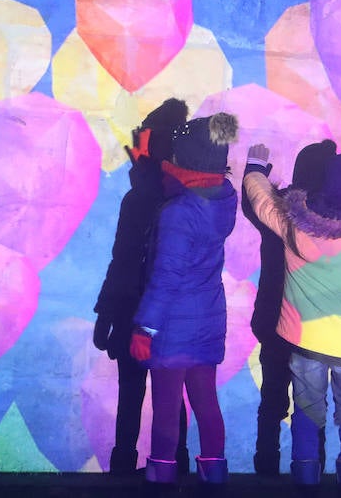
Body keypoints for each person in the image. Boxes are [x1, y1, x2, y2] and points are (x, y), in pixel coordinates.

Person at [242, 144, 341, 492]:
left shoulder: (295, 225)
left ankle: (305, 479)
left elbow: (262, 201)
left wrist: (254, 167)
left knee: (308, 413)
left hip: (305, 340)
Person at [130, 112, 239, 488]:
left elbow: (166, 277)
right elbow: (183, 180)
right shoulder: (222, 200)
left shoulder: (179, 212)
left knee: (166, 407)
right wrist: (148, 165)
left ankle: (161, 472)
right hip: (208, 319)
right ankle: (215, 471)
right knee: (206, 401)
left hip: (173, 325)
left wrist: (144, 327)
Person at [92, 99, 191, 476]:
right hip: (173, 317)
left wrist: (105, 313)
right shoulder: (187, 201)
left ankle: (122, 471)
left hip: (133, 309)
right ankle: (175, 467)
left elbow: (123, 261)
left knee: (131, 395)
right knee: (172, 398)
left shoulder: (138, 199)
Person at [240, 138, 335, 477]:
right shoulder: (334, 221)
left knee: (272, 403)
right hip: (314, 330)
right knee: (313, 408)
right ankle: (313, 472)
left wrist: (254, 171)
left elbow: (255, 203)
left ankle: (265, 471)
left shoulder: (281, 213)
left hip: (275, 322)